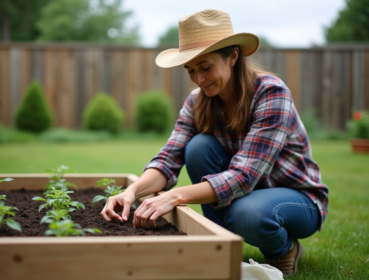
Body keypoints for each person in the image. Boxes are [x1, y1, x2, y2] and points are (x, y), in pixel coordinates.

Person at [100, 9, 329, 276]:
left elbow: (245, 176)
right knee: (197, 147)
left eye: (206, 67)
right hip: (242, 195)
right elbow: (168, 159)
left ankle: (284, 250)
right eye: (191, 70)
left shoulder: (270, 93)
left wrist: (174, 196)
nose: (198, 79)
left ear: (232, 57)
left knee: (247, 213)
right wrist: (132, 192)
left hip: (295, 198)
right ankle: (222, 242)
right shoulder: (197, 101)